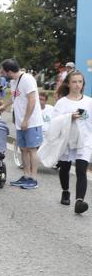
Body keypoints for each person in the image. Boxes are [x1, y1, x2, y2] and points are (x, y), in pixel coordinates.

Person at [0, 58, 44, 189]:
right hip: (20, 122)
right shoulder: (14, 81)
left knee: (32, 149)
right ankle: (26, 176)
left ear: (9, 71)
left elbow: (32, 101)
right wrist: (3, 106)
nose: (2, 74)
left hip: (31, 122)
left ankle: (34, 179)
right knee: (23, 149)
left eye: (3, 72)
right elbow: (14, 97)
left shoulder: (28, 79)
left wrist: (26, 120)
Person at [53, 71, 91, 214]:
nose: (77, 85)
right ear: (68, 84)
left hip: (85, 141)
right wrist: (69, 117)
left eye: (80, 82)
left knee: (81, 170)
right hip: (67, 141)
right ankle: (65, 191)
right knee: (65, 167)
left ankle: (79, 201)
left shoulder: (89, 102)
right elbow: (54, 123)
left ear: (83, 84)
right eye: (74, 82)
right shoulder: (62, 103)